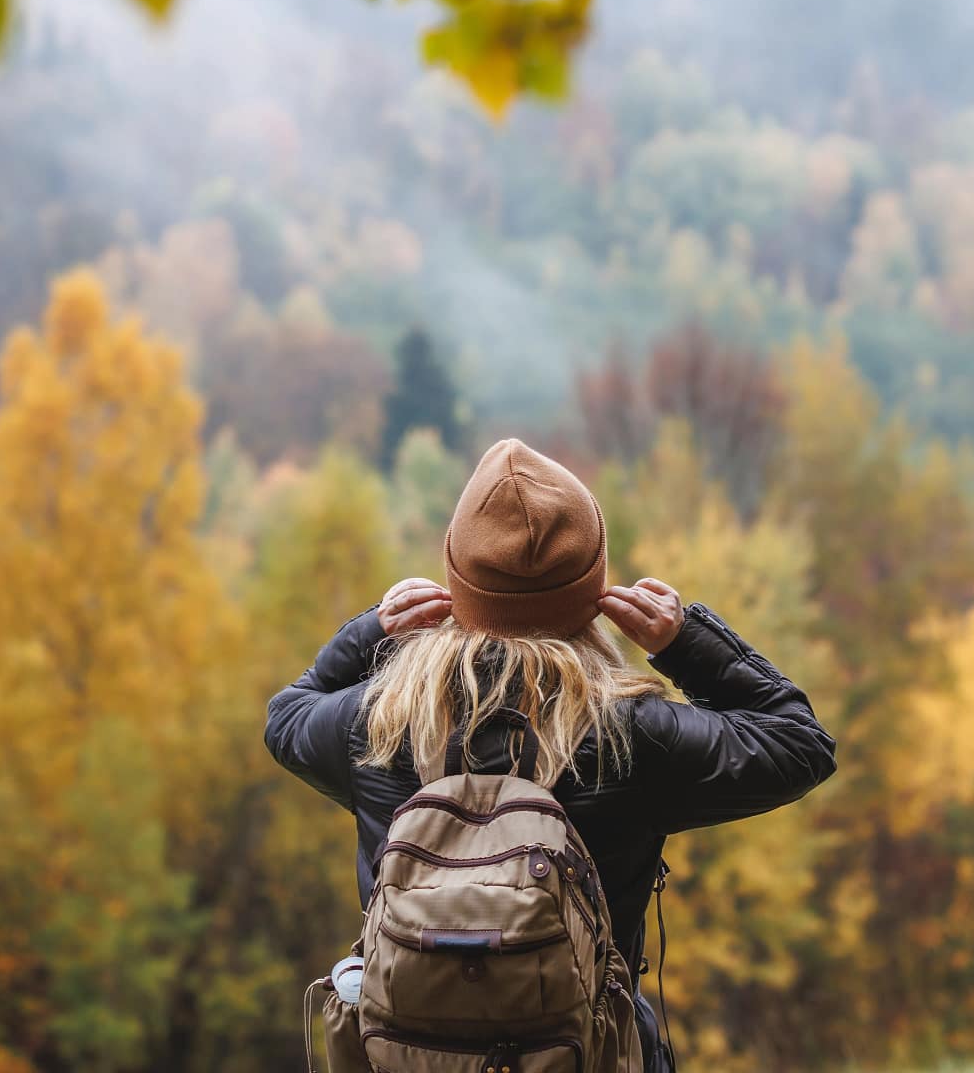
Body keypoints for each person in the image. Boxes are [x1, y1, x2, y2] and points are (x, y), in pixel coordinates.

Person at [265, 438, 837, 1071]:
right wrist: (684, 642)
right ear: (593, 590)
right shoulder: (629, 734)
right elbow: (799, 743)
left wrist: (373, 629)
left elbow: (286, 717)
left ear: (457, 581)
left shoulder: (381, 723)